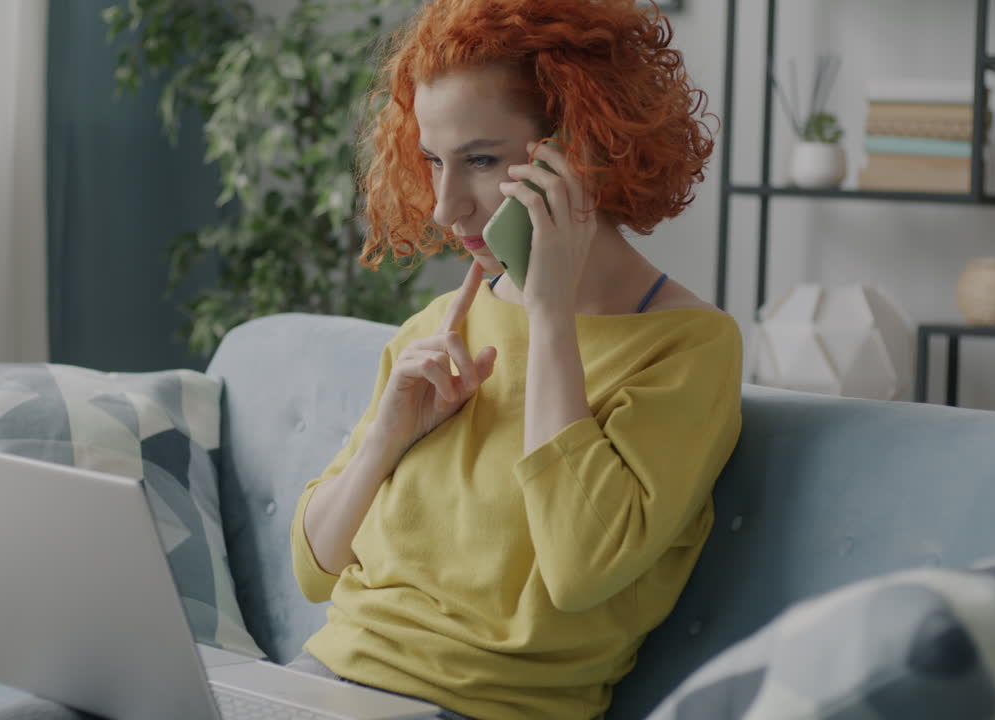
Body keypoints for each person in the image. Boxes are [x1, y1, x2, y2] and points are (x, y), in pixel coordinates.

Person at [289, 1, 743, 718]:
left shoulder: (688, 347)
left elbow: (580, 570)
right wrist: (388, 437)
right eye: (433, 160)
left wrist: (550, 314)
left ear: (582, 149)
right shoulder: (440, 326)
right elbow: (313, 569)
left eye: (480, 160)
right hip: (316, 682)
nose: (444, 208)